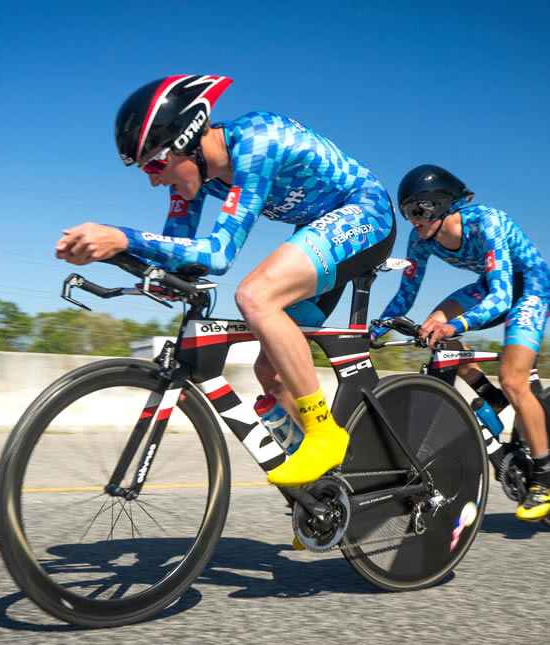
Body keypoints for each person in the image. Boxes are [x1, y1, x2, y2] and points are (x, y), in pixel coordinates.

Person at [55, 74, 396, 488]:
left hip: (364, 213)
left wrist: (121, 236)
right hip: (319, 227)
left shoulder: (258, 141)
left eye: (157, 163)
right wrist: (119, 258)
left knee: (255, 296)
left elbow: (218, 255)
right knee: (270, 371)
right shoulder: (193, 177)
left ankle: (324, 434)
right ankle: (326, 492)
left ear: (189, 139)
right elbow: (178, 249)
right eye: (146, 170)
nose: (154, 179)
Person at [374, 164, 550, 521]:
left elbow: (501, 297)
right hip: (489, 284)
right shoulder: (420, 242)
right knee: (431, 327)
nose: (411, 220)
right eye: (406, 211)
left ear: (440, 205)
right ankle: (487, 392)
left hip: (528, 286)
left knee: (513, 377)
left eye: (416, 210)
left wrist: (457, 326)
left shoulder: (487, 223)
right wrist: (373, 332)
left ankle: (544, 478)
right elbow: (405, 296)